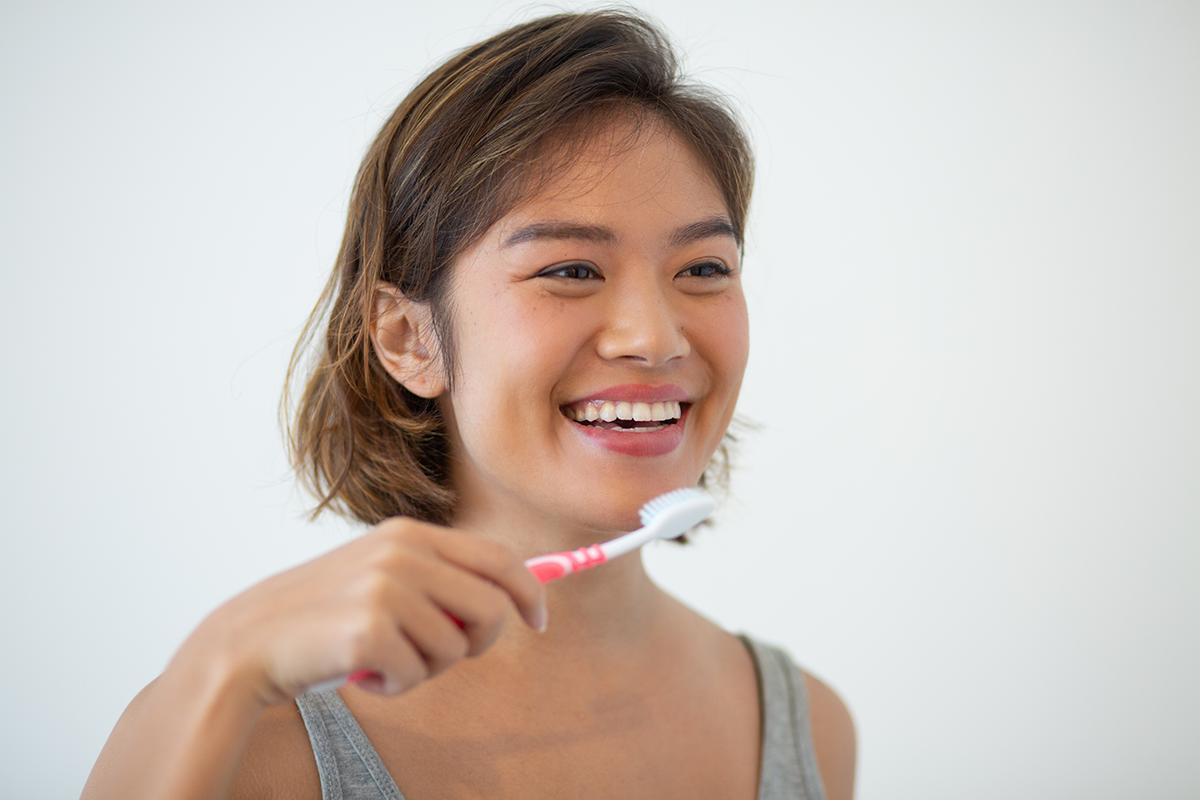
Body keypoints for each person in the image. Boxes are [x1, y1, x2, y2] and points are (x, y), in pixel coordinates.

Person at [81, 8, 856, 799]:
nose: (654, 338)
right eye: (571, 271)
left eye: (703, 269)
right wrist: (220, 663)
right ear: (408, 337)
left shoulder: (811, 728)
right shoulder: (239, 742)